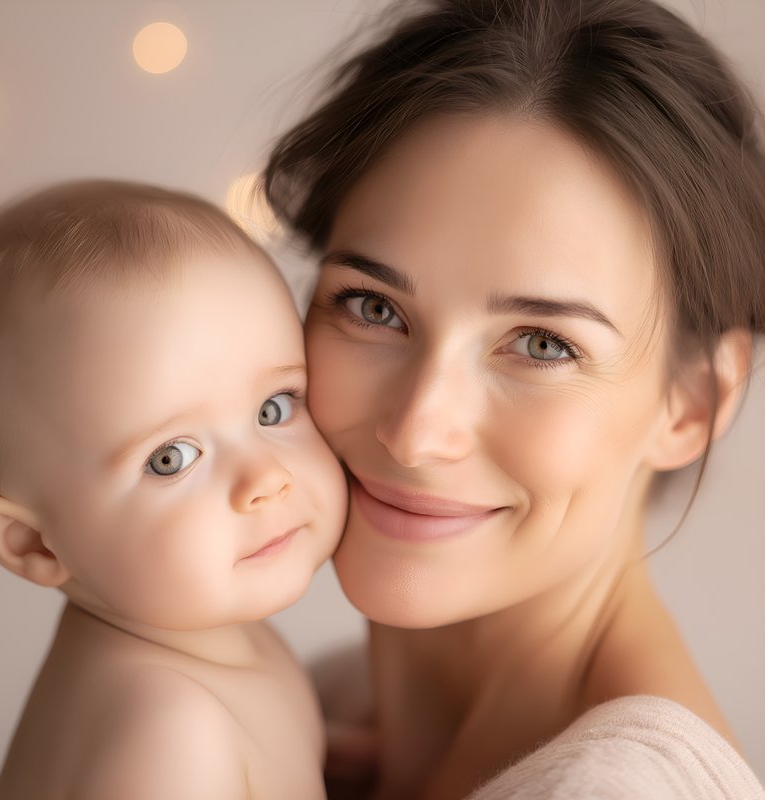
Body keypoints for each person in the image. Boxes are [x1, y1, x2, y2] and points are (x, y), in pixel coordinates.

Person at [264, 0, 765, 797]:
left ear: (692, 403)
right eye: (373, 307)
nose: (416, 431)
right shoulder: (310, 706)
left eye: (543, 344)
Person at [0, 180, 347, 800]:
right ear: (32, 541)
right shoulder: (170, 730)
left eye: (275, 408)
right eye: (172, 458)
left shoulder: (208, 641)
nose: (266, 480)